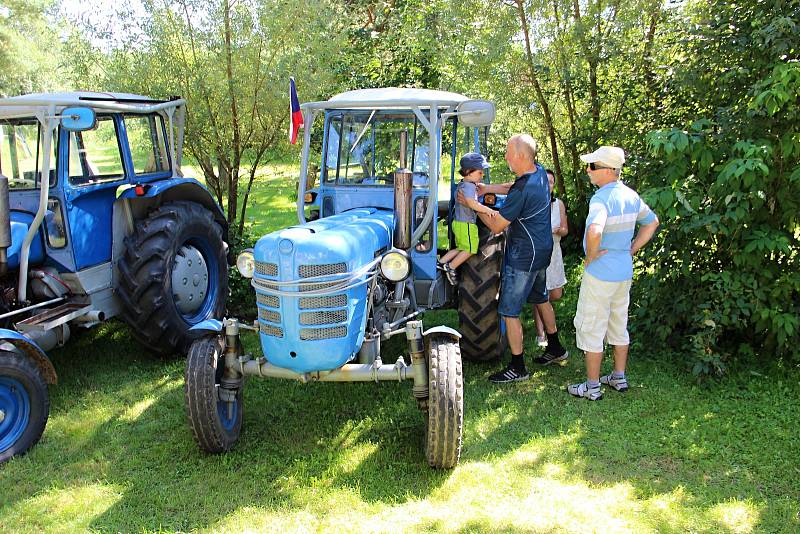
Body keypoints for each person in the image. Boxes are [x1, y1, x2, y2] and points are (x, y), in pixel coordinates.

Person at [471, 134, 569, 384]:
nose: (505, 157)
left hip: (523, 256)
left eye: (508, 152)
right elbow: (511, 187)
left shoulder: (524, 188)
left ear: (522, 156)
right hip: (542, 250)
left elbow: (497, 225)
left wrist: (474, 205)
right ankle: (556, 348)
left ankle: (518, 367)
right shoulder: (537, 174)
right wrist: (488, 189)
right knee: (540, 298)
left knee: (509, 311)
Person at [567, 146, 659, 400]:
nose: (588, 170)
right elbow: (652, 222)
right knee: (619, 323)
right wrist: (632, 249)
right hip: (623, 272)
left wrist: (590, 256)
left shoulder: (601, 199)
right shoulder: (631, 195)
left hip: (600, 274)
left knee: (592, 326)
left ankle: (592, 386)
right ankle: (618, 376)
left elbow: (594, 231)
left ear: (608, 171)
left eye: (593, 167)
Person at [439, 152, 496, 285]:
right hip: (467, 224)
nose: (482, 175)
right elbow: (471, 203)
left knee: (460, 248)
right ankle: (450, 267)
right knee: (470, 249)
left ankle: (441, 263)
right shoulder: (470, 186)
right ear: (469, 172)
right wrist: (488, 210)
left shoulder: (462, 184)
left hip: (458, 223)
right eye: (480, 172)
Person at [534, 169, 568, 347]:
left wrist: (558, 231)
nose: (549, 185)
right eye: (545, 181)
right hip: (539, 252)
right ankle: (541, 334)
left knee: (555, 293)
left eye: (551, 182)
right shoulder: (534, 203)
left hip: (555, 251)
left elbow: (565, 229)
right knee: (541, 293)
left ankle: (548, 325)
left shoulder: (559, 204)